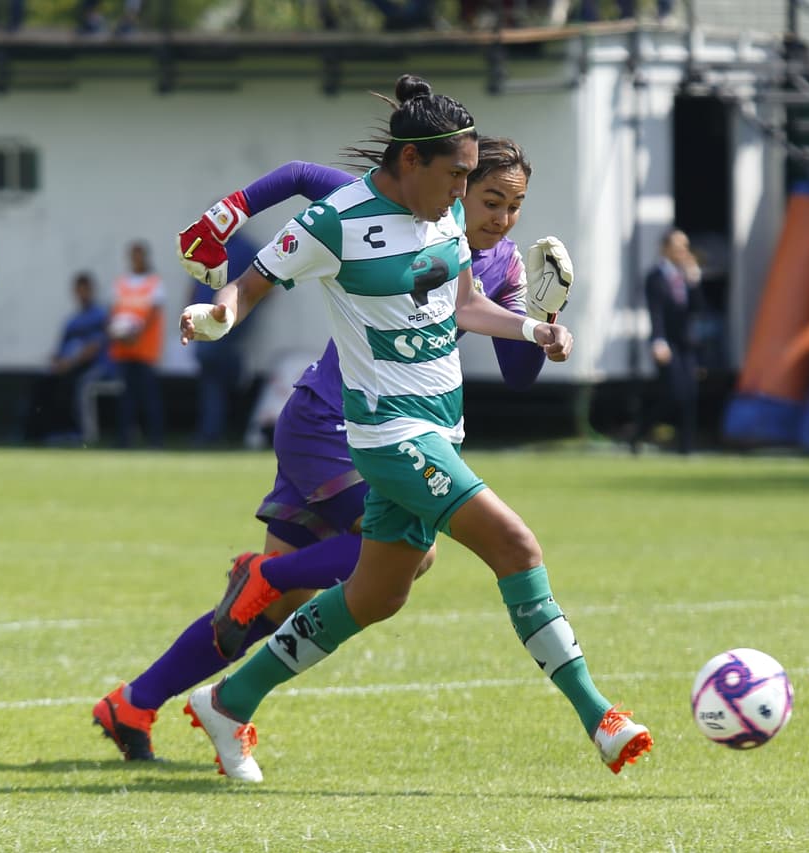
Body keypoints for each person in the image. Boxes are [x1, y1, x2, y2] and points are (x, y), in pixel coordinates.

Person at [175, 75, 650, 782]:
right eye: (458, 176)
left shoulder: (445, 216)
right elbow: (248, 285)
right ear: (410, 163)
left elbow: (463, 306)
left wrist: (533, 330)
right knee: (515, 545)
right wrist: (215, 316)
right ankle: (601, 717)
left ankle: (228, 698)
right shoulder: (333, 222)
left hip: (440, 427)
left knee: (377, 595)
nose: (467, 193)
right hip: (389, 435)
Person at [93, 135, 579, 764]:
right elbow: (299, 173)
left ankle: (134, 701)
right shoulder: (387, 208)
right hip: (331, 422)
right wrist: (228, 212)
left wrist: (544, 311)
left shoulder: (502, 263)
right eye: (487, 198)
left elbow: (516, 372)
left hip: (370, 428)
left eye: (514, 207)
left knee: (275, 610)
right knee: (411, 553)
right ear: (450, 181)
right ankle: (261, 576)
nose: (500, 218)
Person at [631, 227, 703, 454]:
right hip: (667, 341)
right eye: (678, 246)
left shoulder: (684, 276)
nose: (683, 251)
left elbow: (697, 309)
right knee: (673, 392)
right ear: (666, 248)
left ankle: (687, 447)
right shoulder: (656, 277)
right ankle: (640, 432)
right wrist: (658, 340)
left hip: (686, 342)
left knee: (690, 393)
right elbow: (657, 312)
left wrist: (694, 282)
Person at [186, 233, 258, 446]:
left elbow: (264, 284)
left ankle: (213, 431)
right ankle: (215, 430)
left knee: (212, 370)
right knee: (213, 378)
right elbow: (195, 285)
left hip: (227, 324)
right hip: (205, 324)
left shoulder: (246, 250)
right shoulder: (204, 247)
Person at [22, 272, 112, 443]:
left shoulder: (100, 316)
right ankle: (40, 434)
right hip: (69, 366)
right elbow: (61, 350)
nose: (83, 294)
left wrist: (70, 363)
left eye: (86, 290)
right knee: (43, 383)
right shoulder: (72, 321)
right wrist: (56, 361)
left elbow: (94, 348)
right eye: (79, 290)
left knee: (77, 384)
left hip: (93, 366)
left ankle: (82, 435)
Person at [108, 240, 165, 448]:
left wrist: (135, 334)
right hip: (123, 350)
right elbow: (114, 312)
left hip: (144, 350)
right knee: (126, 398)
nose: (136, 259)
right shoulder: (121, 283)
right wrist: (115, 331)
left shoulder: (154, 283)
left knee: (148, 396)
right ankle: (124, 438)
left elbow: (153, 313)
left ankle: (155, 439)